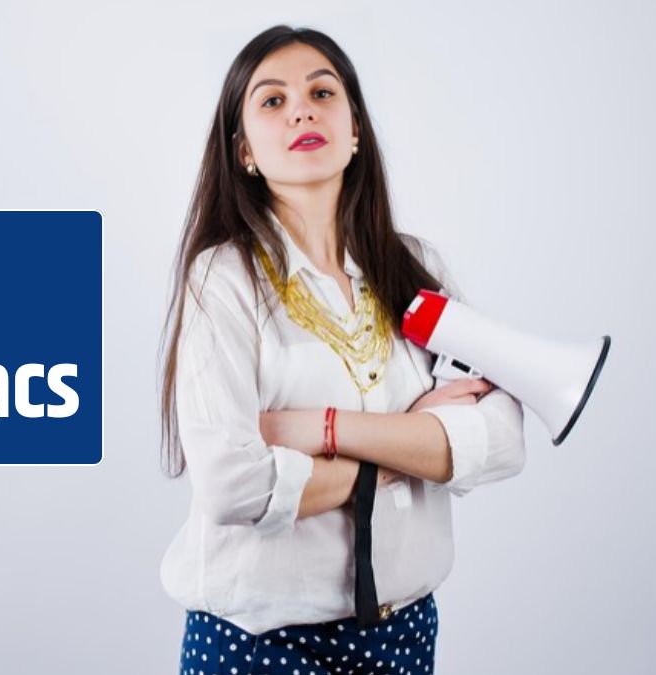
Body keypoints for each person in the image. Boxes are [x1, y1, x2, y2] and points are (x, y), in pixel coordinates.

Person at [158, 25, 527, 675]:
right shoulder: (223, 279)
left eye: (321, 92)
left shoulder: (411, 266)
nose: (301, 108)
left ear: (354, 129)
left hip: (404, 633)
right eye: (272, 100)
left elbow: (499, 438)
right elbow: (232, 485)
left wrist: (324, 431)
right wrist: (405, 451)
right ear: (244, 151)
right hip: (260, 643)